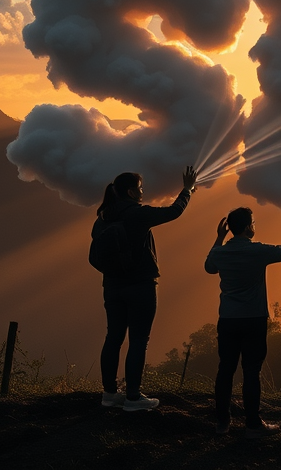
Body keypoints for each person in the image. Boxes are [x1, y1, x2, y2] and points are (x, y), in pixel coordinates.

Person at [205, 206, 281, 435]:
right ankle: (252, 424)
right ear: (249, 226)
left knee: (225, 370)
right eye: (253, 223)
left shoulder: (220, 253)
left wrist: (219, 237)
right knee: (251, 371)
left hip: (227, 319)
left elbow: (209, 267)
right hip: (254, 319)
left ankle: (222, 422)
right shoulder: (258, 251)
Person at [95, 165, 198, 412]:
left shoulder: (103, 217)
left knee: (114, 337)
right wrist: (187, 190)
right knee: (139, 339)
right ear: (131, 192)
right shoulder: (137, 214)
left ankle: (110, 394)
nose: (142, 192)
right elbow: (174, 212)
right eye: (140, 188)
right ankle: (133, 397)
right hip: (140, 285)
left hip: (112, 285)